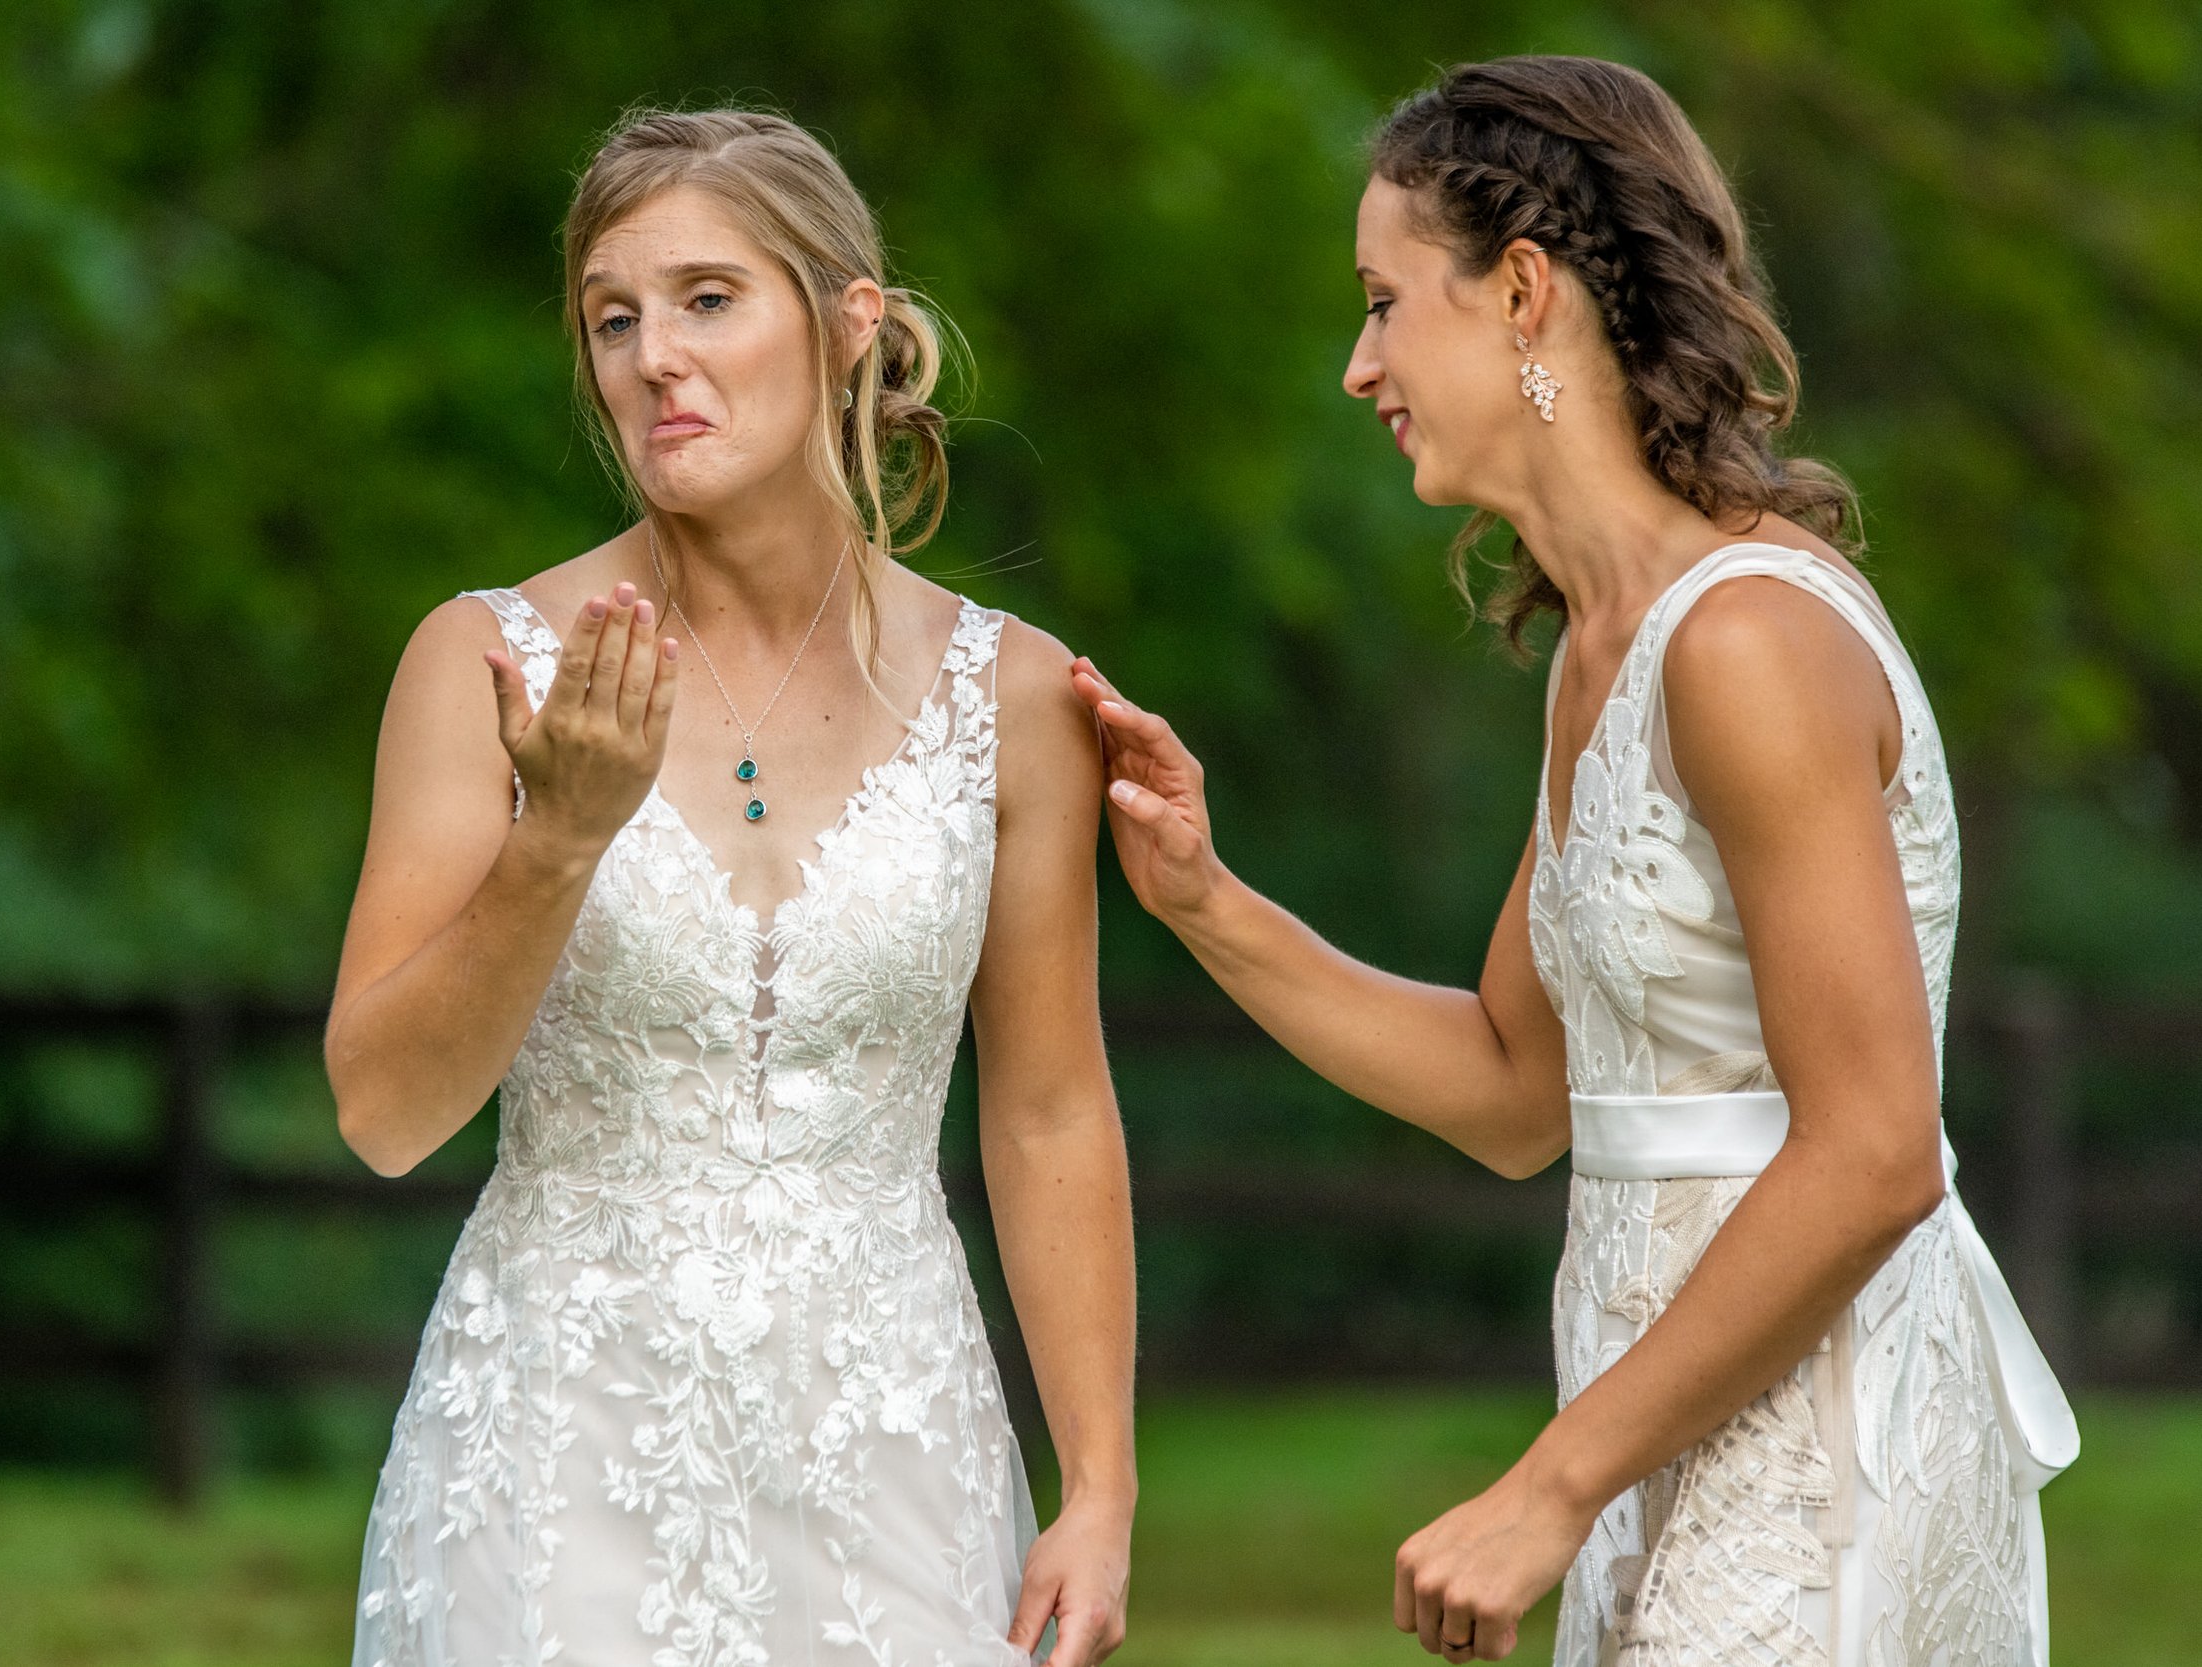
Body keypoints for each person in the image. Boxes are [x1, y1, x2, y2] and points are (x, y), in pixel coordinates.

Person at [1072, 55, 2076, 1665]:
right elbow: (1514, 1089)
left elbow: (1878, 1147)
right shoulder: (1604, 647)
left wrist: (1548, 1486)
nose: (1358, 365)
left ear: (1523, 292)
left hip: (1823, 1436)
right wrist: (1205, 901)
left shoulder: (1744, 642)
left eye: (1385, 303)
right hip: (1648, 1420)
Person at [326, 108, 1133, 1667]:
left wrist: (1099, 1487)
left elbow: (1047, 1110)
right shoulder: (485, 663)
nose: (655, 358)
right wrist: (555, 842)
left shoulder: (1016, 698)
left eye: (708, 299)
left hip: (894, 1453)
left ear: (846, 327)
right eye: (613, 320)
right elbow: (382, 1111)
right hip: (554, 1456)